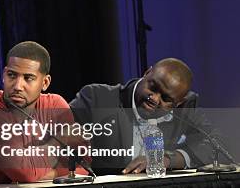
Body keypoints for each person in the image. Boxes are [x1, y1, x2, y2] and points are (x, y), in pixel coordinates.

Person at [0, 41, 87, 188]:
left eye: (28, 78)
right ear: (4, 75)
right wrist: (60, 144)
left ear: (45, 82)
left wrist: (45, 174)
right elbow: (25, 172)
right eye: (12, 75)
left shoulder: (55, 105)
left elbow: (82, 165)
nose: (18, 86)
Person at [69, 58, 212, 174]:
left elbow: (218, 144)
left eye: (166, 99)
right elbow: (56, 134)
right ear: (147, 73)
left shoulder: (186, 107)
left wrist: (169, 159)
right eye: (153, 88)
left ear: (179, 102)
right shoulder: (97, 99)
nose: (155, 99)